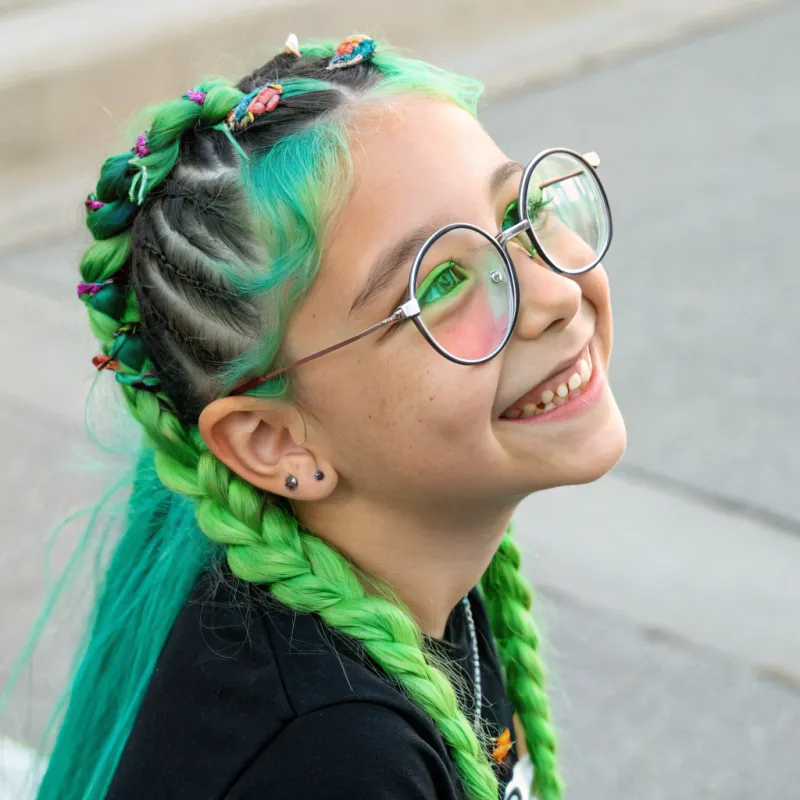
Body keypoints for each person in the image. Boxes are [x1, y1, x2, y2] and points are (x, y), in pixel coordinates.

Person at [17, 32, 626, 800]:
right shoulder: (330, 759)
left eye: (522, 210)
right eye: (439, 284)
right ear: (273, 441)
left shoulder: (406, 581)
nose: (554, 295)